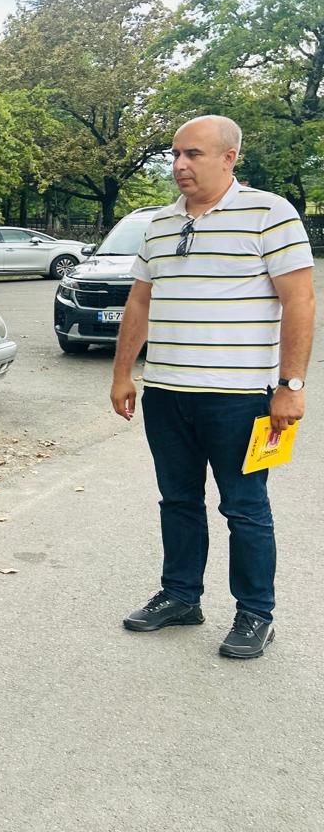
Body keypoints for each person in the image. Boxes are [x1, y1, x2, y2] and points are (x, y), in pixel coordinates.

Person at [112, 115, 315, 659]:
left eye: (193, 154)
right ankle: (181, 596)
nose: (179, 165)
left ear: (229, 158)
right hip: (167, 393)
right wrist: (123, 373)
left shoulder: (269, 213)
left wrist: (291, 385)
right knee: (178, 500)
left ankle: (256, 613)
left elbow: (299, 300)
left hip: (240, 397)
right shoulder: (159, 223)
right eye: (175, 154)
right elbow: (140, 300)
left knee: (245, 508)